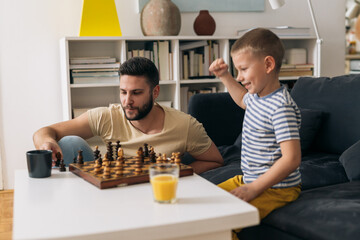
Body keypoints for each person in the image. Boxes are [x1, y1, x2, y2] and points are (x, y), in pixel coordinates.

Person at [33, 57, 223, 174]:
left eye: (136, 93)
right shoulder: (107, 116)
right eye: (123, 92)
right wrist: (46, 143)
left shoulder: (185, 125)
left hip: (155, 191)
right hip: (111, 188)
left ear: (155, 92)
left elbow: (214, 160)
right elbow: (44, 131)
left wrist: (175, 172)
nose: (127, 101)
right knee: (69, 142)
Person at [209, 28, 301, 227]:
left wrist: (254, 189)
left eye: (243, 69)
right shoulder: (257, 97)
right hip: (249, 179)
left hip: (277, 188)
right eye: (237, 70)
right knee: (207, 201)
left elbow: (292, 158)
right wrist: (225, 76)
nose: (240, 77)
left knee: (222, 221)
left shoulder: (280, 107)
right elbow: (242, 99)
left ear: (268, 64)